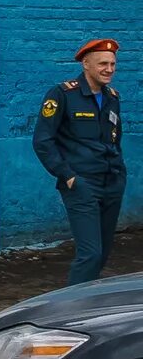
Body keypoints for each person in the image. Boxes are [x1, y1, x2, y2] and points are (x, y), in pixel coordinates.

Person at [35, 37, 125, 286]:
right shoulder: (63, 94)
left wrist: (120, 174)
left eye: (113, 64)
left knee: (103, 254)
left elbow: (115, 139)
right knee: (90, 254)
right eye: (102, 64)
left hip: (112, 183)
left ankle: (90, 306)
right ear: (86, 63)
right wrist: (69, 176)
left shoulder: (112, 97)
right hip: (82, 184)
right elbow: (43, 141)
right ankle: (69, 310)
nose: (109, 69)